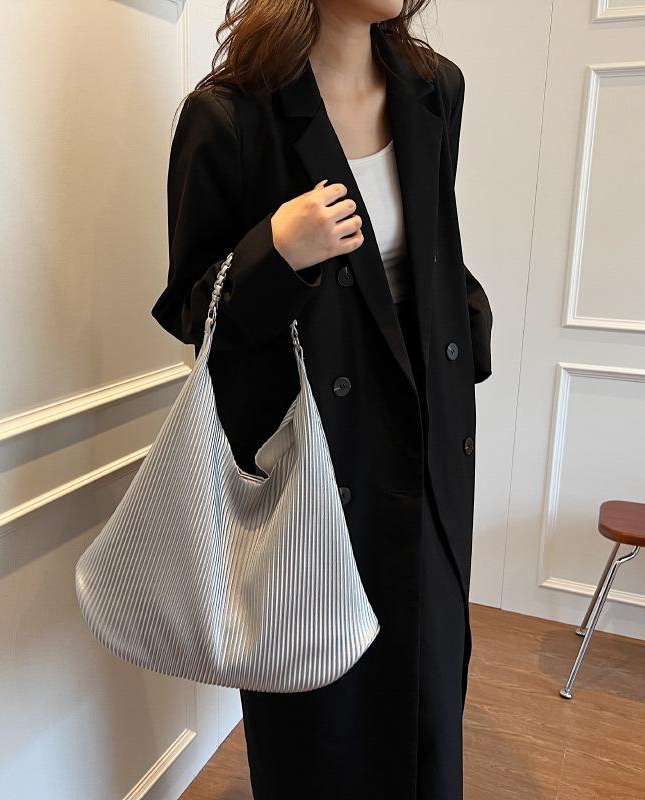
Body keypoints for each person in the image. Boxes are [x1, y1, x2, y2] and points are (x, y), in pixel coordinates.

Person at [151, 1, 494, 797]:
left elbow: (434, 247)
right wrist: (276, 250)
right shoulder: (229, 115)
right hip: (313, 460)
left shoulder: (433, 88)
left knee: (429, 702)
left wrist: (467, 333)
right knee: (322, 716)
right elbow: (194, 312)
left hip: (427, 435)